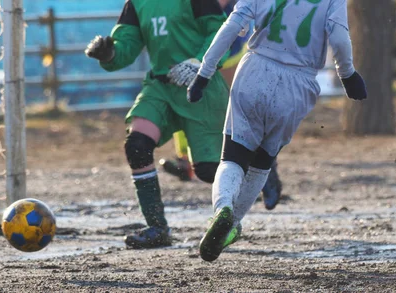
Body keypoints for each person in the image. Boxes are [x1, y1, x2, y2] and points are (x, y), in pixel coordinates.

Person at [187, 0, 367, 261]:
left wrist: (204, 73)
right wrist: (347, 74)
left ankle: (222, 209)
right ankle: (232, 223)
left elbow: (232, 25)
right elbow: (339, 37)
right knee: (262, 163)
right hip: (298, 82)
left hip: (255, 70)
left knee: (232, 158)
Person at [85, 0, 230, 249]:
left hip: (200, 87)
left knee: (209, 171)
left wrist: (200, 64)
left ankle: (260, 171)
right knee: (137, 145)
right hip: (160, 86)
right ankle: (157, 228)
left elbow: (220, 33)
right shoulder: (137, 3)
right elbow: (126, 46)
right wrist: (110, 54)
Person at [159, 0, 284, 211]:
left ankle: (264, 167)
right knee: (188, 100)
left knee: (234, 112)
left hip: (225, 36)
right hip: (197, 41)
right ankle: (185, 159)